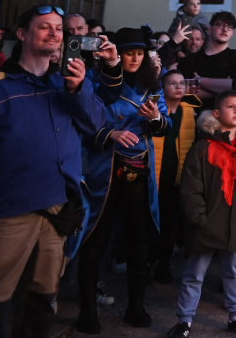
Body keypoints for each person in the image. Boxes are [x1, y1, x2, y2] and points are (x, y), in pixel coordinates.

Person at [0, 6, 109, 338]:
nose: (55, 33)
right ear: (23, 34)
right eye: (45, 27)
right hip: (10, 212)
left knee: (42, 304)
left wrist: (78, 89)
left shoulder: (68, 86)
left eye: (59, 28)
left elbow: (99, 127)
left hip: (57, 211)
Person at [78, 29, 162, 335]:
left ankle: (136, 306)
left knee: (138, 241)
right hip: (103, 167)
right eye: (129, 53)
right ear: (114, 53)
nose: (135, 58)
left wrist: (154, 118)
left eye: (140, 53)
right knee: (96, 237)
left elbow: (165, 123)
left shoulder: (151, 84)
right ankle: (87, 310)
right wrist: (110, 134)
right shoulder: (95, 79)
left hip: (139, 170)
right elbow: (84, 120)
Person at [172, 89, 236, 338]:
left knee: (235, 270)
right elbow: (191, 188)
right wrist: (200, 220)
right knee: (194, 273)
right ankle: (184, 321)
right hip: (206, 225)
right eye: (230, 106)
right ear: (217, 113)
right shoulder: (203, 148)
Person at [152, 69, 202, 283]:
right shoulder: (154, 110)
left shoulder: (190, 111)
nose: (179, 87)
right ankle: (147, 263)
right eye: (173, 83)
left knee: (172, 222)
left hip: (178, 176)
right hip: (155, 175)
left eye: (182, 82)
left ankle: (164, 263)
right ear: (162, 88)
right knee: (152, 221)